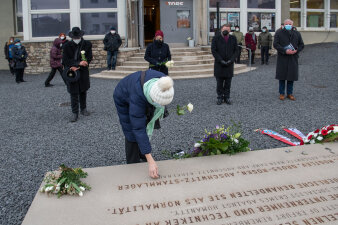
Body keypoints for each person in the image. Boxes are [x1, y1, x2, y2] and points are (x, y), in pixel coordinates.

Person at [113, 70, 174, 178]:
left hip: (139, 94)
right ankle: (132, 163)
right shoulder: (137, 98)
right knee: (131, 132)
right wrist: (151, 161)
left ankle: (143, 154)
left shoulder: (164, 83)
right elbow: (138, 128)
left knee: (146, 123)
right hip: (123, 97)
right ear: (152, 98)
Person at [62, 27, 93, 122]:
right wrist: (75, 65)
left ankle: (83, 108)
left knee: (83, 90)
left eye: (78, 37)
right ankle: (75, 112)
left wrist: (85, 62)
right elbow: (65, 60)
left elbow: (89, 57)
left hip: (83, 71)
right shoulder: (67, 46)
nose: (76, 39)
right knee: (73, 92)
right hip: (72, 71)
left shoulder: (87, 44)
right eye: (75, 38)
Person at [273, 19, 304, 101]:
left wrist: (297, 50)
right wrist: (284, 50)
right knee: (282, 76)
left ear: (292, 25)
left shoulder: (297, 33)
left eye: (290, 24)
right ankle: (281, 93)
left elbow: (301, 44)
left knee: (291, 76)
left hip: (293, 58)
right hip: (282, 57)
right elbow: (275, 44)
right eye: (287, 24)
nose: (288, 25)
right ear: (284, 24)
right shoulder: (279, 33)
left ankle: (290, 93)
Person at [211, 24, 239, 105]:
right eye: (224, 29)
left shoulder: (233, 38)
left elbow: (236, 51)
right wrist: (220, 60)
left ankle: (227, 97)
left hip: (229, 64)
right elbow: (214, 50)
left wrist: (231, 60)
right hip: (219, 64)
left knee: (228, 83)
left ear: (230, 30)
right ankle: (220, 97)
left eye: (228, 29)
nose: (226, 30)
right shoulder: (216, 38)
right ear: (221, 30)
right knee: (219, 82)